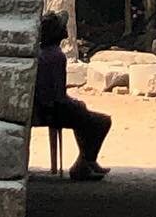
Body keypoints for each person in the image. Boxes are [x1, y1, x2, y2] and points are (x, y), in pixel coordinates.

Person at [34, 11, 111, 182]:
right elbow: (57, 96)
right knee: (102, 121)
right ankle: (85, 162)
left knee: (81, 113)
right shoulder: (56, 56)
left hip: (42, 108)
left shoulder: (43, 53)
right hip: (51, 110)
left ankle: (87, 161)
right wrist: (75, 104)